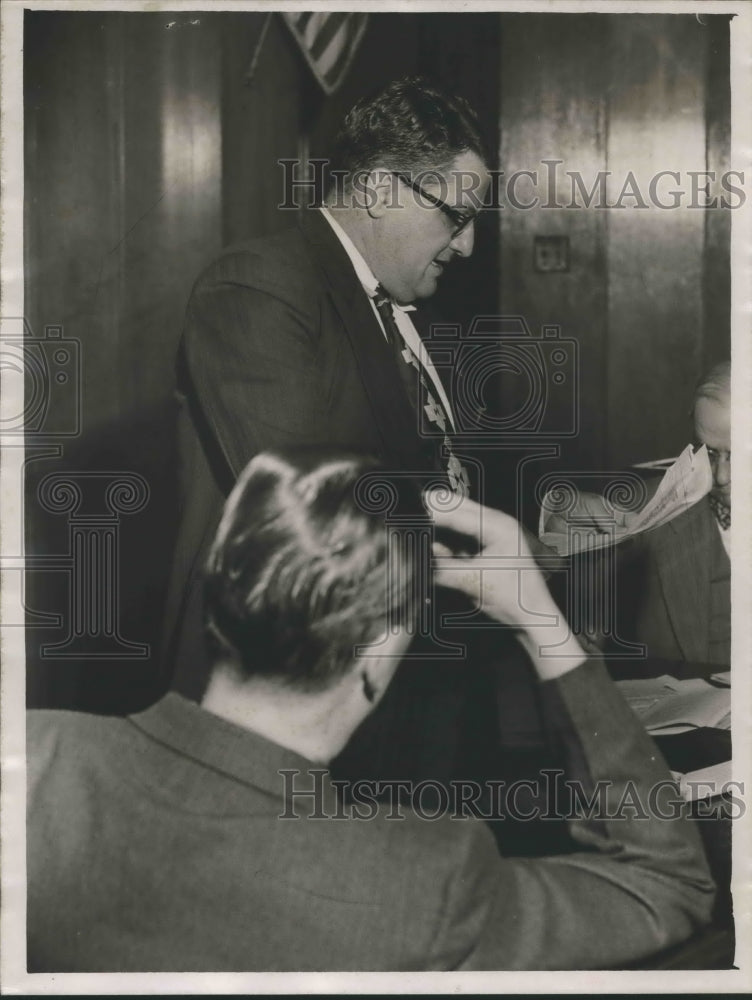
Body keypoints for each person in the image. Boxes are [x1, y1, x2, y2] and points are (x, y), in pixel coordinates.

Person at [27, 449, 714, 972]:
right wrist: (543, 624)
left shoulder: (36, 761)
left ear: (220, 594)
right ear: (380, 653)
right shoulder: (426, 881)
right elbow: (664, 885)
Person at [162, 76, 492, 700]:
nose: (469, 245)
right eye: (456, 216)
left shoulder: (390, 298)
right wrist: (488, 550)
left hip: (387, 659)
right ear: (375, 189)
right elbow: (315, 513)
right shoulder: (260, 287)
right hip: (286, 679)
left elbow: (422, 471)